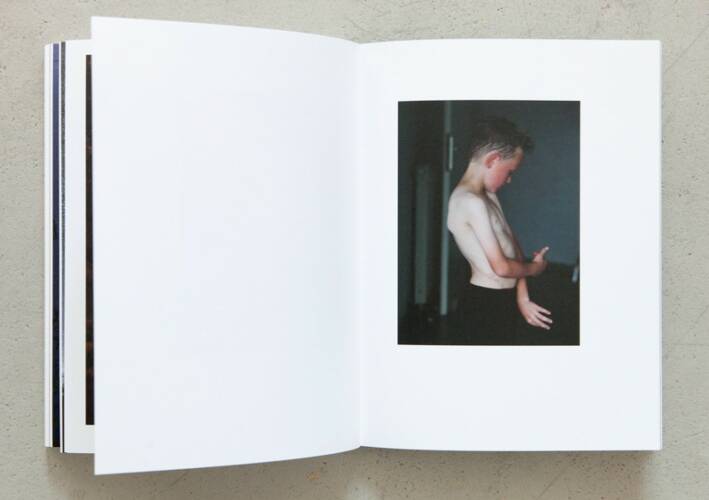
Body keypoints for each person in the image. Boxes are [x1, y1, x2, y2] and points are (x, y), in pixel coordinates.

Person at [446, 117, 552, 344]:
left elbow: (512, 245)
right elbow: (501, 267)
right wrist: (534, 269)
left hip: (504, 297)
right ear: (493, 160)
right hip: (484, 302)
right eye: (509, 171)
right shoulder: (468, 202)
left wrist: (522, 298)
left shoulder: (488, 196)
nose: (509, 180)